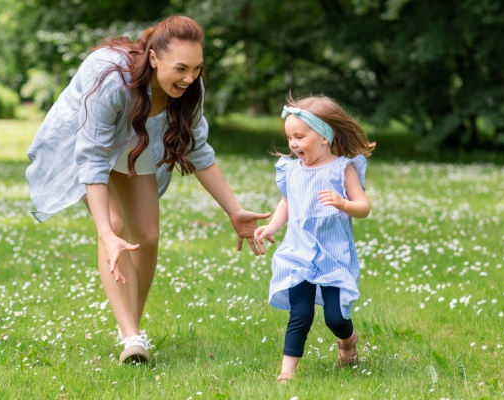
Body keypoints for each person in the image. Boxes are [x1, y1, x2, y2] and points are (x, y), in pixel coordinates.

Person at [25, 16, 272, 364]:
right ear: (154, 58)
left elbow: (198, 150)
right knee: (114, 224)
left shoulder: (189, 90)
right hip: (86, 139)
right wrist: (105, 233)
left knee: (148, 236)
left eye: (197, 69)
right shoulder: (112, 81)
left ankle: (131, 329)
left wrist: (234, 211)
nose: (190, 78)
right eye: (181, 68)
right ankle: (131, 336)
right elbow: (93, 157)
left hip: (134, 140)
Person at [253, 95, 375, 382]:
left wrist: (343, 203)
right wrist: (271, 227)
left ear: (323, 136)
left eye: (299, 136)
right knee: (300, 314)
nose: (293, 143)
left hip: (333, 254)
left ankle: (347, 340)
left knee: (336, 317)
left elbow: (363, 207)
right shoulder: (291, 169)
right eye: (289, 137)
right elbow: (287, 202)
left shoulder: (342, 168)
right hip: (298, 252)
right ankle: (287, 373)